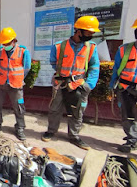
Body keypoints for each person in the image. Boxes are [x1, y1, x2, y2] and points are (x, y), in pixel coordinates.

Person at [41, 16, 100, 150]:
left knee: (77, 111)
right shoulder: (59, 47)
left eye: (92, 33)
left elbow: (94, 67)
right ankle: (51, 131)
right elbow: (53, 62)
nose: (91, 35)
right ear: (78, 31)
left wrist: (88, 85)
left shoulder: (91, 48)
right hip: (60, 83)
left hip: (79, 85)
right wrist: (63, 75)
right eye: (88, 32)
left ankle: (74, 136)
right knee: (55, 109)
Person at [0, 27, 31, 140]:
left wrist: (18, 78)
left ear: (14, 40)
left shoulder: (23, 51)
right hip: (0, 83)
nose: (5, 45)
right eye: (3, 43)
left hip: (16, 85)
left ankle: (20, 128)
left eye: (7, 43)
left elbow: (27, 68)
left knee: (19, 106)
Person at [109, 18, 137, 153]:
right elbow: (116, 69)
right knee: (128, 116)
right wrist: (111, 86)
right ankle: (132, 140)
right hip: (126, 88)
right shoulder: (125, 50)